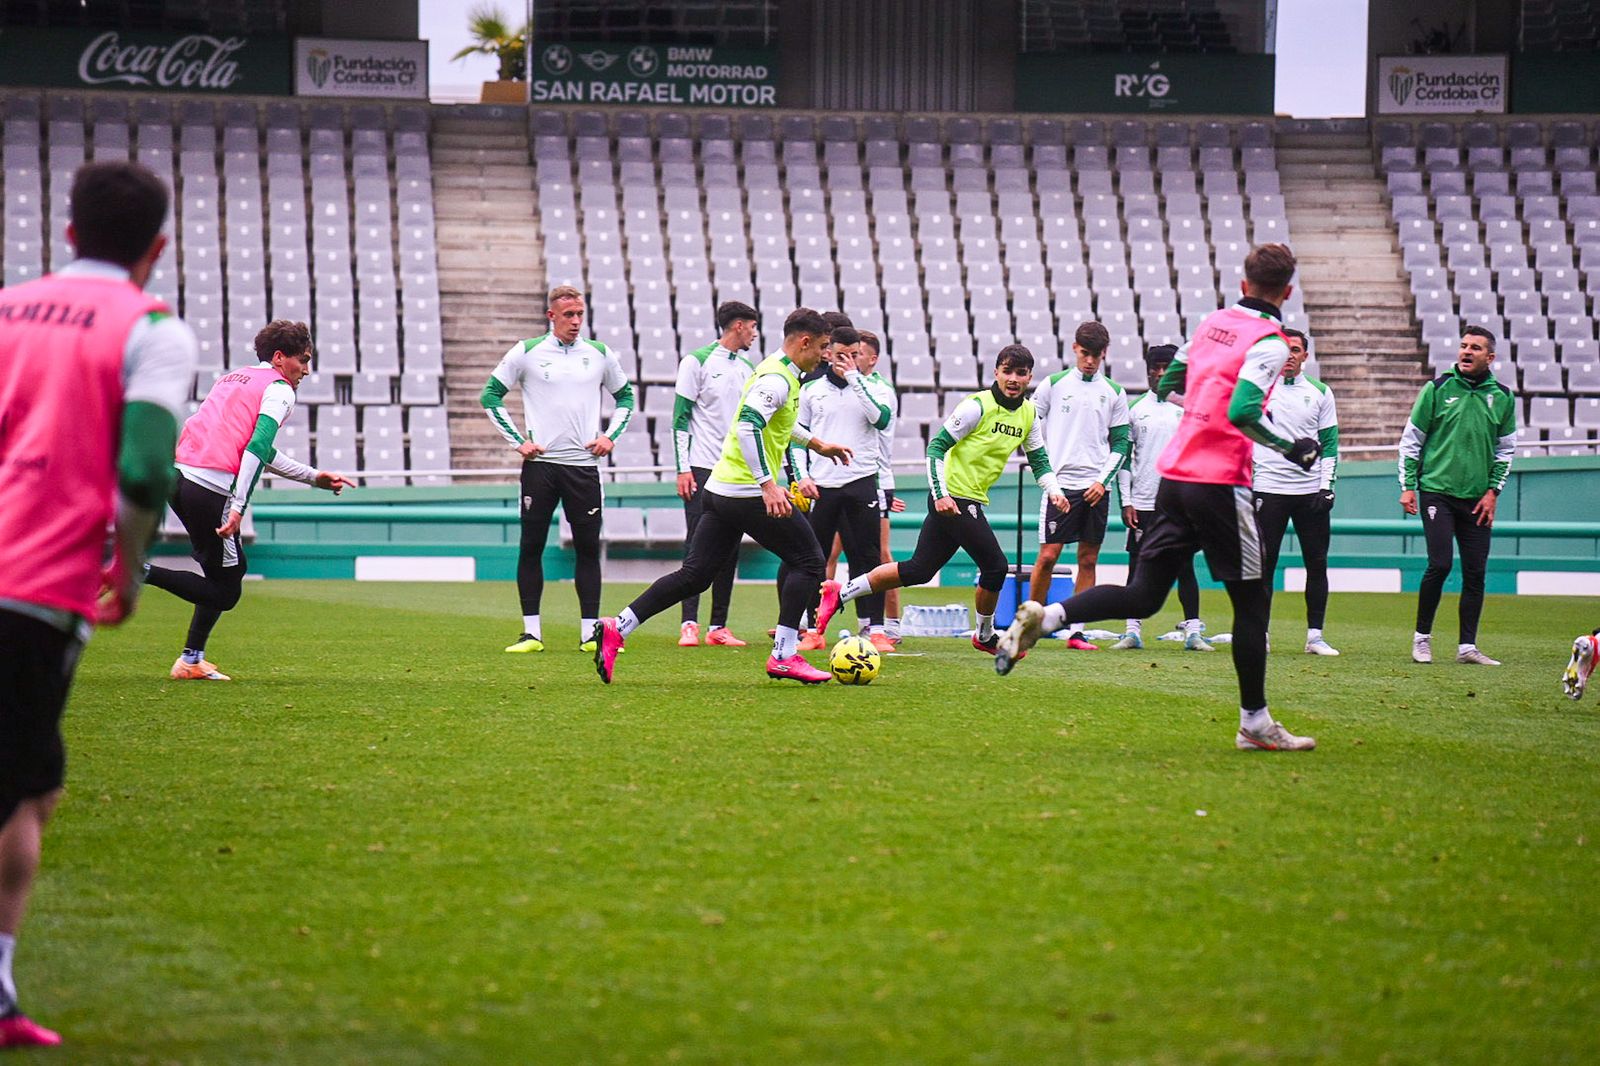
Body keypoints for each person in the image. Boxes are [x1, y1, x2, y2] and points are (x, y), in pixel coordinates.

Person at [0, 160, 197, 1048]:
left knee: (32, 783)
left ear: (68, 231)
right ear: (158, 247)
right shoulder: (150, 328)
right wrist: (126, 570)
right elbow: (148, 468)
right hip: (36, 586)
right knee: (23, 794)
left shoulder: (6, 307)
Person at [994, 243, 1320, 753]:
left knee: (1144, 594)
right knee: (1252, 603)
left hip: (1174, 478)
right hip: (1220, 482)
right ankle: (1254, 722)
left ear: (1242, 285)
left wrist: (1203, 407)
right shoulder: (1272, 341)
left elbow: (1170, 382)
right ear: (1287, 292)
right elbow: (1244, 410)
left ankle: (1048, 616)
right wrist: (1292, 445)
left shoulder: (1212, 324)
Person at [593, 309, 855, 684]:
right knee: (810, 561)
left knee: (695, 575)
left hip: (719, 490)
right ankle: (784, 655)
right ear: (804, 342)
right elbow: (748, 425)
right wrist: (767, 484)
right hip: (745, 491)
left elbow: (777, 422)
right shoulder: (776, 379)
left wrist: (818, 443)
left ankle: (618, 626)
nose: (826, 355)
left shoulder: (775, 371)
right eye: (824, 347)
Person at [814, 344, 1070, 655]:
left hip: (967, 499)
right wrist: (941, 494)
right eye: (1007, 371)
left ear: (1029, 377)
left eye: (1021, 373)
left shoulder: (1029, 414)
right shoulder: (976, 406)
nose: (1013, 379)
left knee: (918, 570)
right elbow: (936, 448)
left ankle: (839, 594)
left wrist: (1055, 492)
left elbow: (1040, 461)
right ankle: (985, 635)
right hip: (954, 498)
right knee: (996, 566)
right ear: (996, 373)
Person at [144, 321, 352, 681]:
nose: (306, 369)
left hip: (179, 478)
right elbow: (256, 447)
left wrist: (312, 477)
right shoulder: (280, 389)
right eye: (303, 360)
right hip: (212, 487)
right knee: (226, 591)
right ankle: (138, 572)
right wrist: (238, 506)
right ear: (279, 357)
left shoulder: (233, 379)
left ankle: (191, 660)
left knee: (220, 575)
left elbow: (256, 447)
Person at [483, 285, 636, 654]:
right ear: (551, 316)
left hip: (583, 467)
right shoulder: (528, 351)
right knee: (531, 546)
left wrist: (610, 436)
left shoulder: (599, 354)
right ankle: (531, 633)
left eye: (580, 314)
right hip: (541, 467)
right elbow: (490, 394)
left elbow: (626, 397)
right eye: (568, 315)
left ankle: (589, 634)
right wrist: (518, 441)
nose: (576, 321)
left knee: (587, 548)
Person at [1398, 325, 1515, 666]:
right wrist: (1407, 485)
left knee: (1476, 571)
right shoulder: (1437, 389)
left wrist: (1493, 492)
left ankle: (1467, 647)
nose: (1466, 352)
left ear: (1489, 357)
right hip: (1437, 492)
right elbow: (1411, 441)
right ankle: (1422, 639)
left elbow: (1506, 451)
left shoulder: (1503, 397)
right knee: (1441, 564)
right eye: (1463, 346)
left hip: (1478, 499)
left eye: (1475, 348)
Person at [787, 325, 897, 653]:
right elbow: (795, 436)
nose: (845, 361)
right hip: (821, 486)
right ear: (827, 353)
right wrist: (802, 476)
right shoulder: (811, 390)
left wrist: (854, 379)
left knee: (869, 556)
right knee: (814, 558)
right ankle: (813, 629)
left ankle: (875, 628)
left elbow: (880, 419)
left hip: (861, 481)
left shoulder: (873, 388)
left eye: (852, 355)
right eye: (839, 355)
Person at [1026, 321, 1130, 650]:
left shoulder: (1114, 392)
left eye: (1096, 356)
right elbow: (1030, 426)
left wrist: (1103, 481)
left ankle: (1076, 631)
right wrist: (1047, 474)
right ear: (1074, 348)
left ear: (1104, 355)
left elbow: (1121, 444)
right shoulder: (1053, 385)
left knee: (1088, 560)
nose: (1089, 361)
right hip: (1061, 486)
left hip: (1097, 488)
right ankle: (1032, 623)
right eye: (1085, 354)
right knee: (1047, 557)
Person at [1111, 344, 1211, 652]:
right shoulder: (1135, 409)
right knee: (1136, 566)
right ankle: (1132, 631)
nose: (1159, 372)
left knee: (1184, 567)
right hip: (1143, 502)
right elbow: (1125, 460)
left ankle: (1193, 632)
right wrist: (1126, 501)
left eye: (1165, 366)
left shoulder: (1189, 409)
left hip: (1180, 503)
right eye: (1154, 366)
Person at [672, 301, 759, 648]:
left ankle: (718, 626)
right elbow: (680, 417)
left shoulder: (748, 368)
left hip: (733, 471)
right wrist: (682, 467)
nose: (755, 333)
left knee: (730, 547)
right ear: (738, 326)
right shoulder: (696, 361)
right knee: (696, 544)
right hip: (701, 467)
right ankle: (688, 622)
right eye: (752, 326)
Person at [1253, 327, 1341, 656]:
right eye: (1283, 349)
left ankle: (1315, 637)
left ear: (1305, 355)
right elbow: (1244, 438)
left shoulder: (1320, 392)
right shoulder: (1258, 391)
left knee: (1316, 563)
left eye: (1295, 350)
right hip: (1268, 488)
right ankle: (1259, 633)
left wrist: (1326, 486)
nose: (1288, 355)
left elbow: (1330, 444)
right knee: (1263, 565)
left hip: (1309, 492)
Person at [1564, 628, 1598, 700]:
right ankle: (1591, 646)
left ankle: (1590, 645)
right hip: (1592, 646)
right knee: (1583, 672)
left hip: (1585, 641)